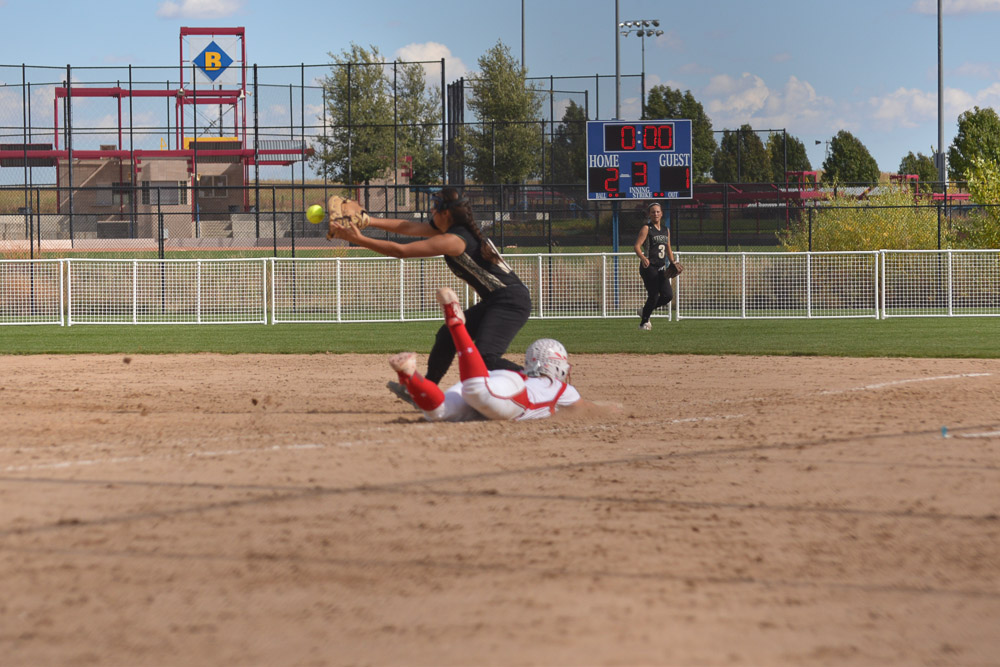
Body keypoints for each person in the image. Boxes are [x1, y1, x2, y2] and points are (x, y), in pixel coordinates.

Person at [327, 188, 531, 403]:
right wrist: (369, 221)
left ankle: (538, 379)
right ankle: (426, 391)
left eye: (435, 206)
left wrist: (359, 239)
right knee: (447, 335)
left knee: (486, 357)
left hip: (510, 301)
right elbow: (407, 227)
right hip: (497, 300)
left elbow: (401, 251)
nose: (431, 211)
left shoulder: (454, 240)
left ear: (447, 213)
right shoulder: (452, 231)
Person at [387, 286, 603, 422]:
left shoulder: (526, 376)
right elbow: (585, 408)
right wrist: (611, 408)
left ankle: (409, 375)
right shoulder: (562, 389)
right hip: (512, 393)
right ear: (557, 365)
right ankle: (457, 325)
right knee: (477, 389)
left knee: (438, 412)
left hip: (498, 380)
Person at [633, 202, 682, 330]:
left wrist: (673, 261)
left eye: (658, 211)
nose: (655, 214)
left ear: (661, 213)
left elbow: (668, 248)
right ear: (649, 214)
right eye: (653, 212)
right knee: (654, 295)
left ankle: (645, 310)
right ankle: (643, 323)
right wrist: (643, 257)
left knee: (667, 296)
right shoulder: (646, 228)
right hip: (649, 266)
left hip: (661, 267)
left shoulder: (666, 230)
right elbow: (637, 246)